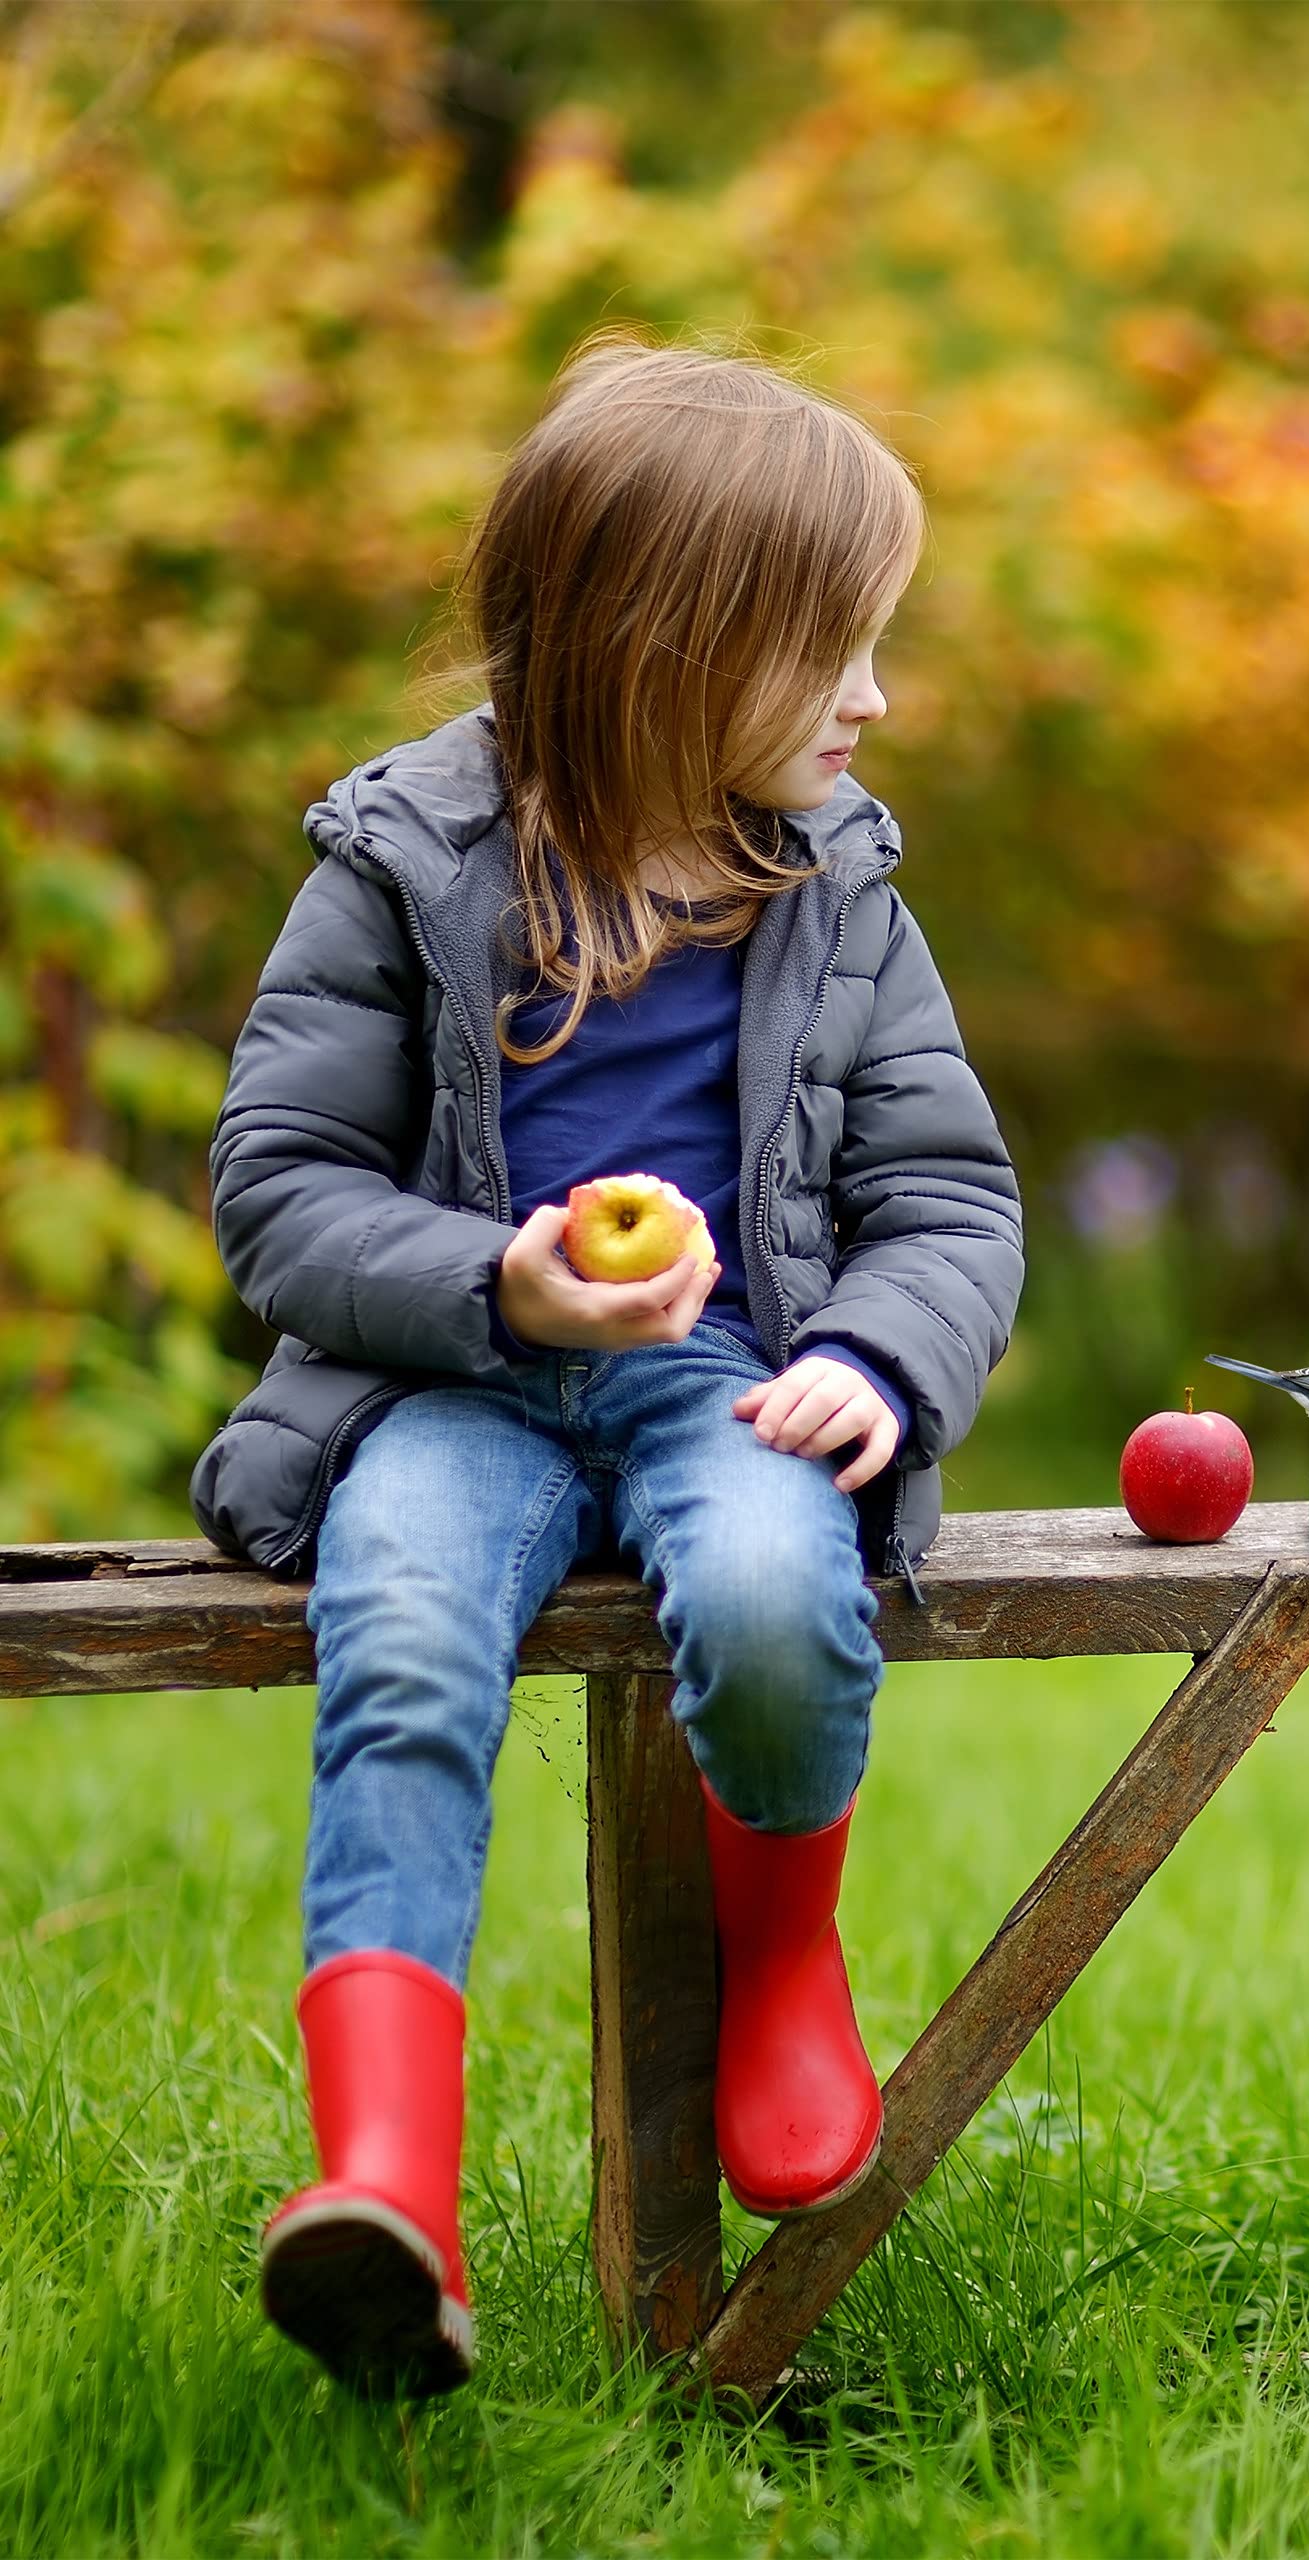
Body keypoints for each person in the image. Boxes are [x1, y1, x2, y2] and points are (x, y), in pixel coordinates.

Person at [190, 334, 1023, 2399]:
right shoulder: (400, 860)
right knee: (399, 1645)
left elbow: (951, 1194)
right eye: (833, 648)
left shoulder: (834, 889)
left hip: (723, 1376)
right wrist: (501, 1279)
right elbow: (279, 1186)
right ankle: (384, 2183)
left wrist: (875, 1362)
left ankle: (785, 1963)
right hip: (450, 1383)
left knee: (764, 1587)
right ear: (673, 648)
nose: (873, 697)